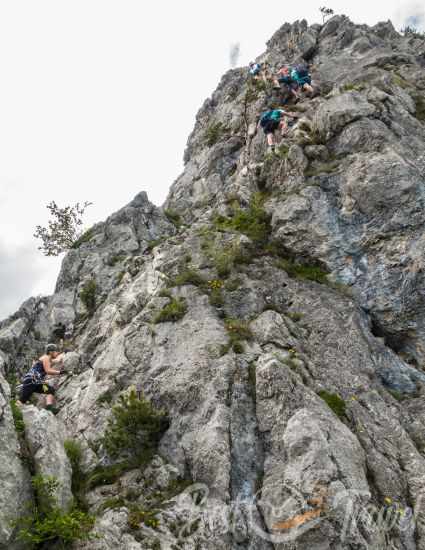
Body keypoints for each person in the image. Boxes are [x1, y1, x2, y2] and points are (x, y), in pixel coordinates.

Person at [17, 344, 65, 414]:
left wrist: (62, 356)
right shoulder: (46, 358)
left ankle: (49, 408)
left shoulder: (48, 359)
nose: (57, 353)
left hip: (36, 382)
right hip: (31, 380)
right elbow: (48, 370)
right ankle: (14, 413)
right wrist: (60, 372)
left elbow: (56, 360)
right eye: (55, 351)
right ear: (51, 352)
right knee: (23, 399)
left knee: (50, 390)